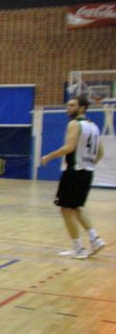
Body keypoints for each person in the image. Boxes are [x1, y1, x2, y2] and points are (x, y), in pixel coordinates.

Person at [40, 95, 106, 259]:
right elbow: (101, 152)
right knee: (76, 208)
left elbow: (69, 147)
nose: (68, 108)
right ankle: (95, 239)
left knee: (65, 209)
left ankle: (79, 248)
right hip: (87, 172)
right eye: (68, 105)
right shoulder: (94, 127)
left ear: (82, 108)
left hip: (74, 171)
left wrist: (48, 156)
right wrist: (89, 164)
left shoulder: (74, 124)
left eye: (72, 105)